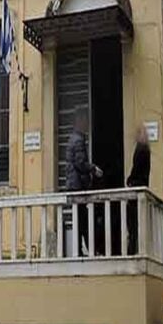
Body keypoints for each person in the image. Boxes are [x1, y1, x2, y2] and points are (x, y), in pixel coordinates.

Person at [66, 107, 102, 255]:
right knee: (83, 220)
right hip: (77, 186)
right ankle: (89, 251)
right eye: (86, 120)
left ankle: (83, 250)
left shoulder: (72, 138)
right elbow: (80, 163)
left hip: (73, 185)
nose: (87, 124)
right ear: (79, 121)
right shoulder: (78, 140)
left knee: (80, 219)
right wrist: (94, 169)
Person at [126, 125, 151, 255]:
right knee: (137, 222)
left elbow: (136, 169)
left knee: (133, 223)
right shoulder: (146, 149)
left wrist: (130, 180)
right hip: (142, 185)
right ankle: (134, 248)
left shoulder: (140, 149)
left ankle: (132, 249)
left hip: (137, 187)